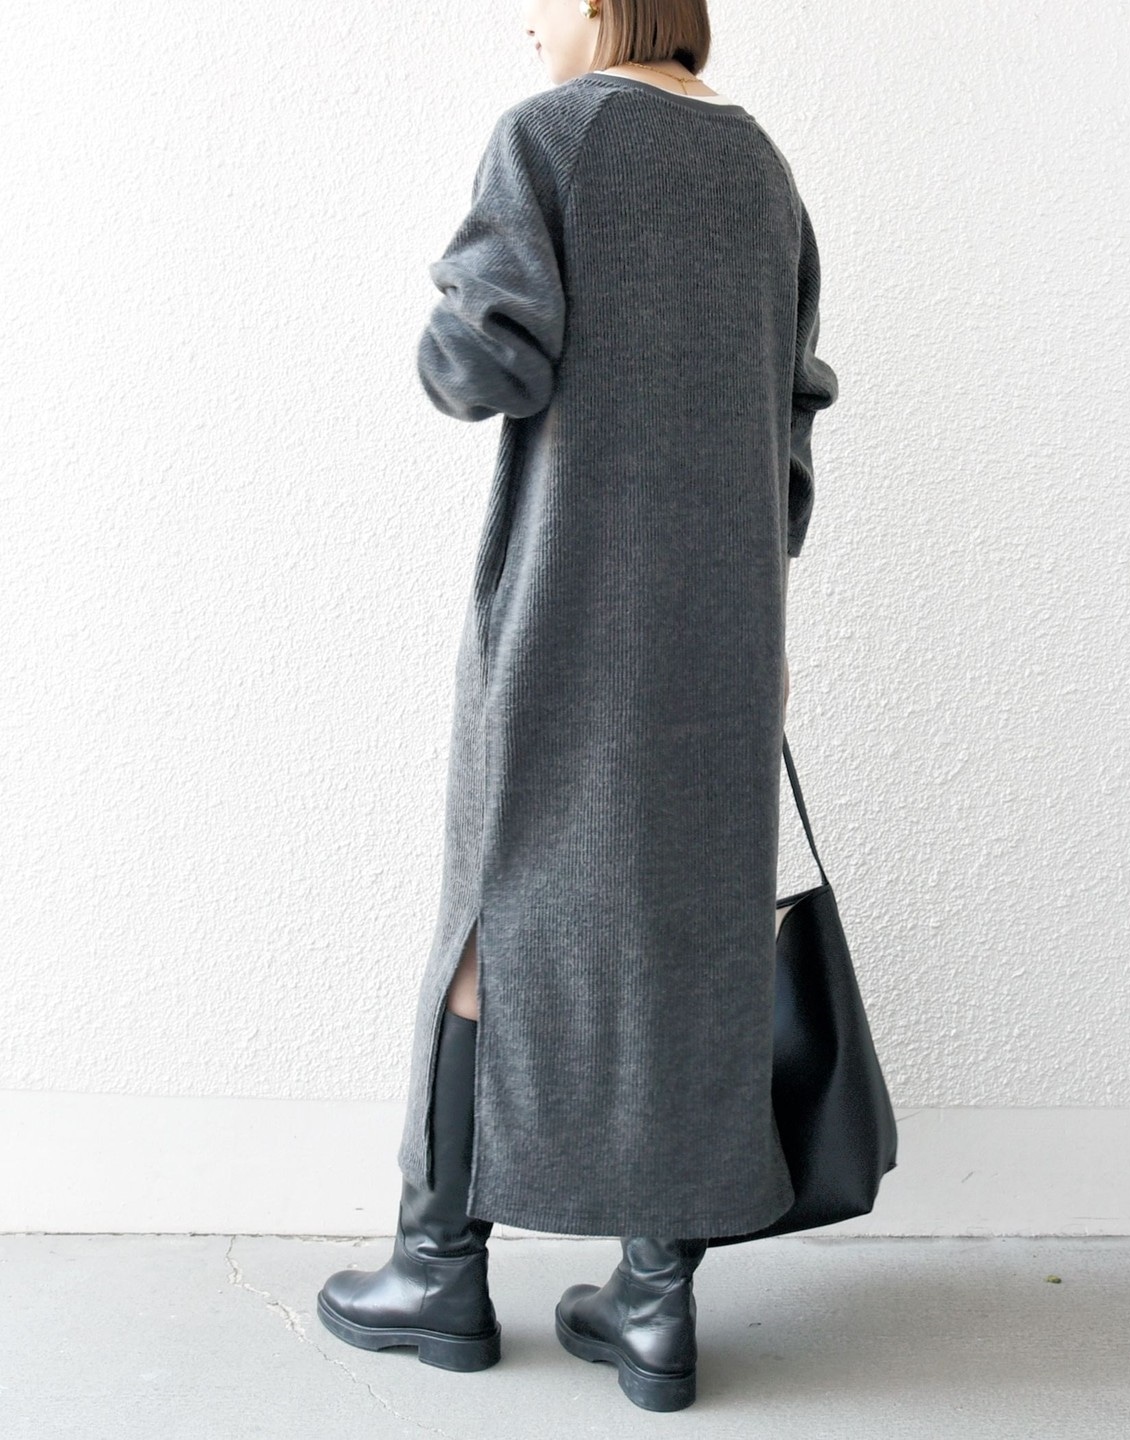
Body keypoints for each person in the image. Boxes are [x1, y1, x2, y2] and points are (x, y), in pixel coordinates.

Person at [317, 0, 838, 1413]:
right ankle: (654, 1307)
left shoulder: (551, 138)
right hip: (727, 630)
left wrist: (451, 305)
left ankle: (439, 1273)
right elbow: (792, 414)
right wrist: (764, 604)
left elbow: (482, 365)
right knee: (691, 941)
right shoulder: (764, 168)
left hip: (569, 614)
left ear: (604, 2)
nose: (525, 24)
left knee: (494, 917)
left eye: (541, 0)